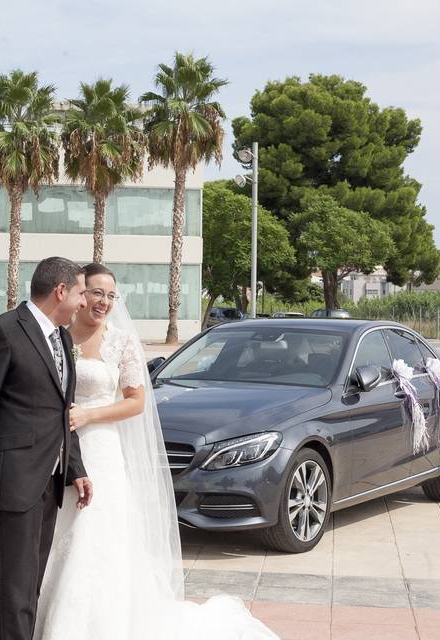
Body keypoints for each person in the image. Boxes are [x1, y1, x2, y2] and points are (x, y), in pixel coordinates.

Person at [33, 262, 279, 640]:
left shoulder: (121, 342)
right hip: (57, 452)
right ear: (79, 294)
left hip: (101, 449)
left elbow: (136, 402)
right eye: (96, 293)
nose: (103, 302)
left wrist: (89, 415)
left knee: (92, 537)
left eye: (111, 296)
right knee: (55, 536)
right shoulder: (57, 336)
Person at [0, 256, 94, 640]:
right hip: (11, 484)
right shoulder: (2, 332)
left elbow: (61, 411)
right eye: (81, 293)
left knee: (28, 587)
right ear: (61, 291)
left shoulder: (62, 337)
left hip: (49, 483)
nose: (84, 303)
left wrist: (76, 468)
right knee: (13, 589)